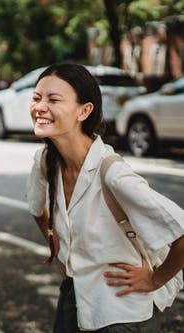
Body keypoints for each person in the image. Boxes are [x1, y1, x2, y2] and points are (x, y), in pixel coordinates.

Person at [26, 63, 184, 332]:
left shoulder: (113, 174)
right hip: (75, 300)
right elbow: (37, 209)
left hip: (123, 314)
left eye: (53, 99)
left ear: (84, 111)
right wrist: (62, 254)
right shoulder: (46, 160)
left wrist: (154, 281)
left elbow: (181, 234)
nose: (40, 107)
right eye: (37, 98)